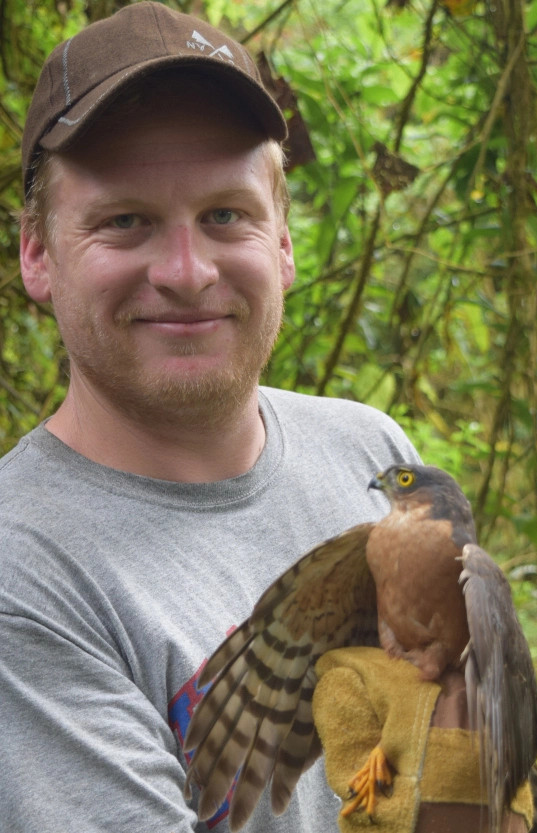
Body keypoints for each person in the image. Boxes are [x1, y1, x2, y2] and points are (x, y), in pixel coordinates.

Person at [1, 3, 424, 832]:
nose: (187, 272)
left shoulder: (367, 449)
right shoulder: (25, 571)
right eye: (125, 221)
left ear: (284, 245)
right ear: (38, 254)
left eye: (225, 215)